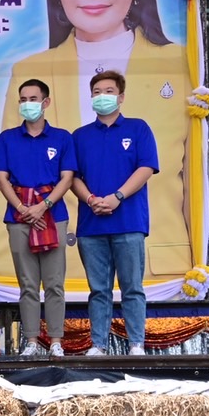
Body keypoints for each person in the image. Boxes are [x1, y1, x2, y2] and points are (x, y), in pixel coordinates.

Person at [0, 0, 192, 280]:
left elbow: (186, 177)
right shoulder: (29, 71)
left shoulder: (178, 64)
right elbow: (9, 185)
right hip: (63, 255)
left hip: (160, 267)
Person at [70, 70, 157, 356]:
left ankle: (136, 344)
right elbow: (72, 177)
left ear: (120, 97)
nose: (101, 97)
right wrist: (92, 199)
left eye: (108, 91)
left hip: (129, 222)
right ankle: (98, 344)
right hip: (91, 225)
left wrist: (117, 197)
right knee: (98, 290)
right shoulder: (80, 136)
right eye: (96, 92)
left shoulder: (138, 128)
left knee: (132, 287)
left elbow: (145, 168)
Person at [0, 78, 75, 359]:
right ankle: (30, 340)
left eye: (33, 99)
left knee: (54, 283)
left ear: (46, 102)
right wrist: (22, 207)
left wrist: (43, 206)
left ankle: (55, 341)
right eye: (23, 99)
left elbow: (67, 177)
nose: (27, 104)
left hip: (54, 216)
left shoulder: (62, 137)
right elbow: (1, 178)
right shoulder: (7, 138)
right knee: (28, 284)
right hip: (18, 218)